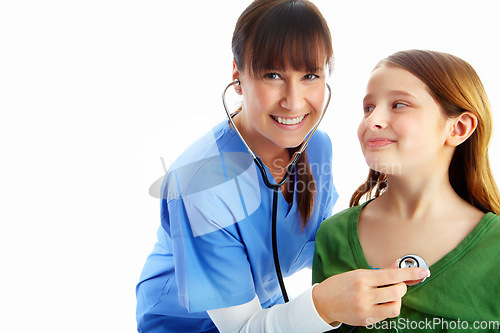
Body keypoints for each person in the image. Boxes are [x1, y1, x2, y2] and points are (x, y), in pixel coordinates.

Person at [136, 2, 428, 332]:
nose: (294, 100)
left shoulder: (317, 146)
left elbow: (321, 245)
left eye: (310, 76)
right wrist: (325, 306)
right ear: (237, 73)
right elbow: (242, 329)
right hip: (188, 325)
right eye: (273, 75)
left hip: (265, 311)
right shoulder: (201, 183)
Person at [313, 49, 500, 332]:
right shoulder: (332, 235)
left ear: (458, 128)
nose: (372, 120)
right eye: (368, 107)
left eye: (399, 104)